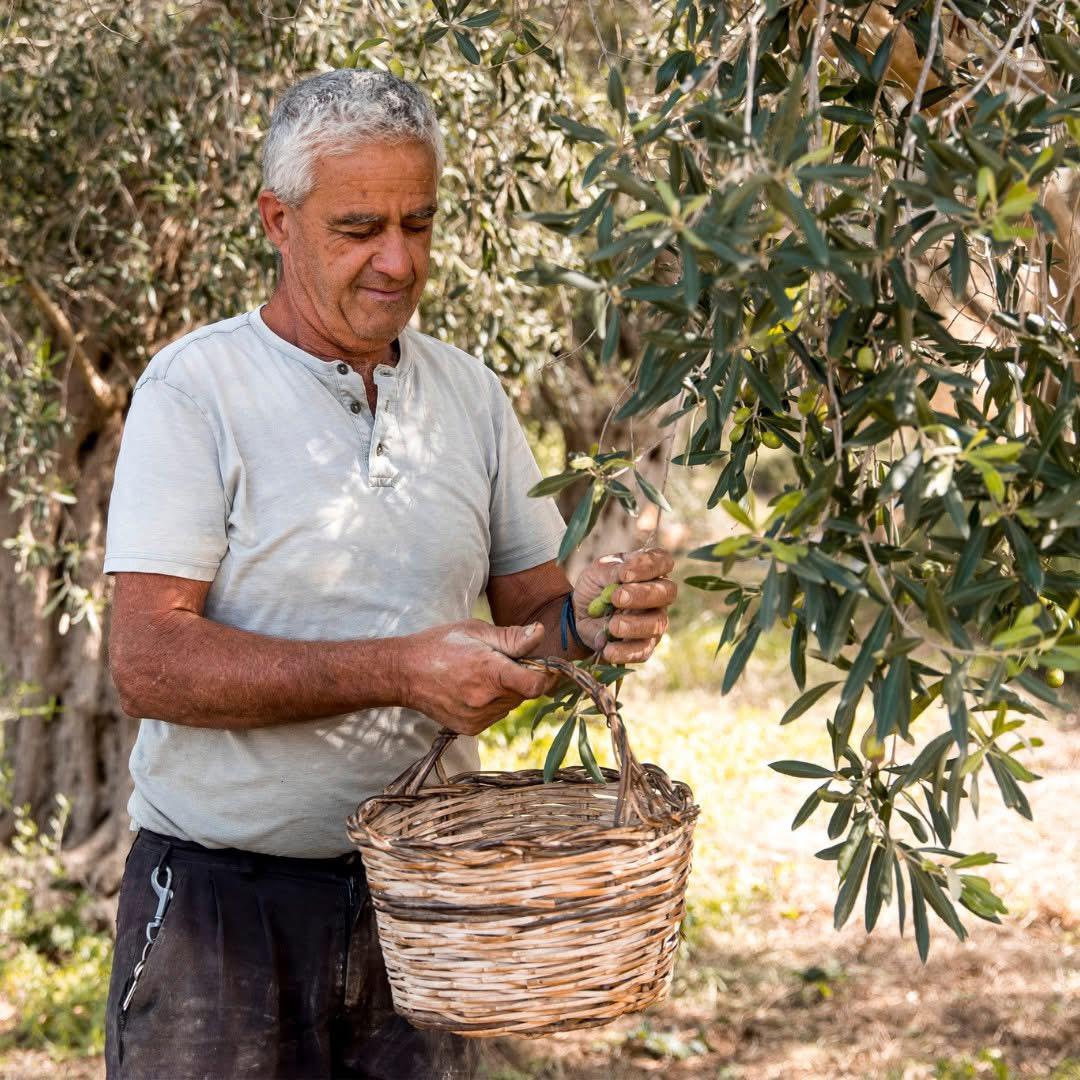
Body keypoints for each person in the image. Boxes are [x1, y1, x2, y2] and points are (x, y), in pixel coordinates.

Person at [102, 69, 677, 1080]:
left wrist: (590, 621)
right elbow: (148, 662)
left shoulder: (469, 394)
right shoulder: (197, 391)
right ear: (278, 221)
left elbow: (533, 622)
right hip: (215, 917)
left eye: (419, 222)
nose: (397, 260)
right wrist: (399, 670)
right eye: (360, 226)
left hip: (423, 911)